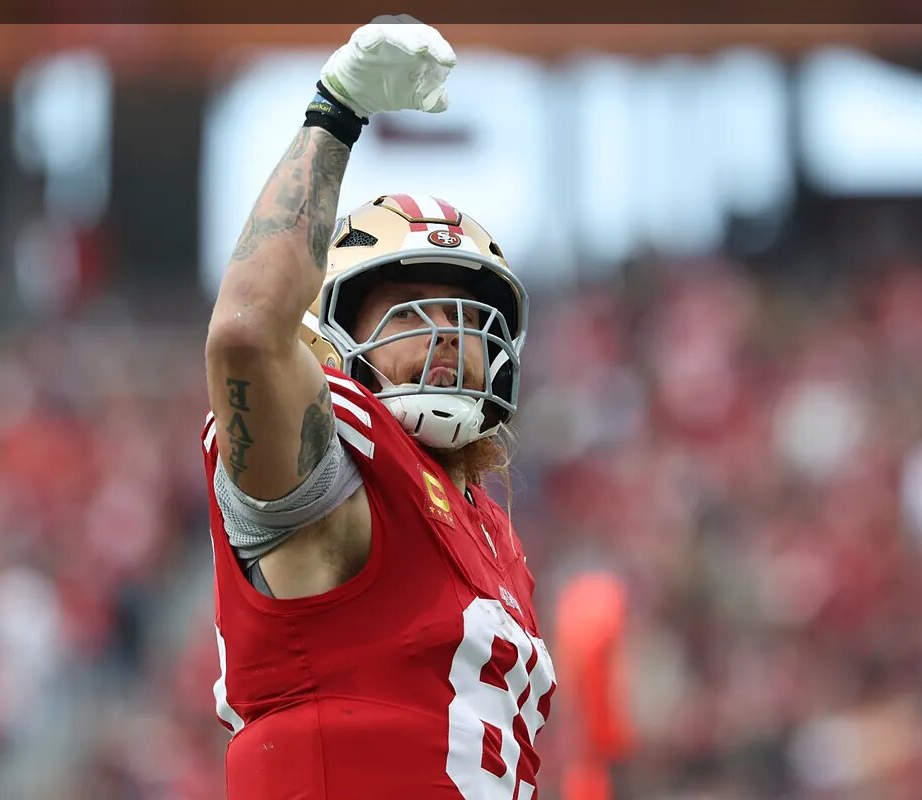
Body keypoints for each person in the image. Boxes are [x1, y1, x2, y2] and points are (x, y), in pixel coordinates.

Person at [200, 17, 557, 800]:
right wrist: (335, 111)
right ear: (328, 336)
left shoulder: (489, 532)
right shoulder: (339, 471)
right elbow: (246, 335)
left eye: (466, 316)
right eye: (412, 310)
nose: (448, 335)